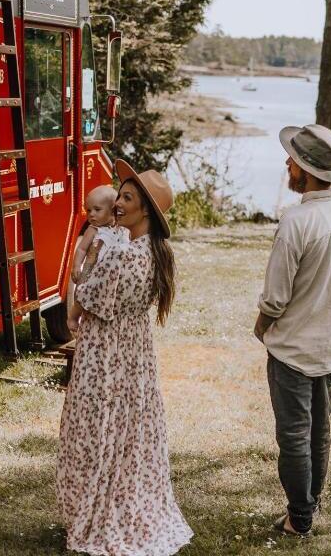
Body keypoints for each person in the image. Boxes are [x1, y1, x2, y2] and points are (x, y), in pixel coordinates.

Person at [56, 160, 193, 555]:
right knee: (127, 430)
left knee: (101, 428)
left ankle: (101, 508)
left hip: (107, 356)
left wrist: (80, 286)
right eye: (120, 194)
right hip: (133, 354)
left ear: (144, 210)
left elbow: (90, 296)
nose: (117, 202)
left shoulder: (125, 255)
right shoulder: (148, 250)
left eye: (127, 198)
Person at [254, 124, 331, 537]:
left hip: (292, 353)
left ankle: (299, 517)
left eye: (294, 159)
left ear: (307, 169)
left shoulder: (296, 221)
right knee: (320, 433)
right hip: (330, 349)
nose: (287, 163)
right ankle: (309, 506)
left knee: (294, 438)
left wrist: (261, 327)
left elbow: (275, 298)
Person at [67, 185, 126, 335]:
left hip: (111, 274)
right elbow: (81, 249)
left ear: (113, 210)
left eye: (97, 210)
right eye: (88, 210)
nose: (91, 214)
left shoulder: (122, 229)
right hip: (91, 271)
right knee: (82, 295)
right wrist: (76, 266)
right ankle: (74, 318)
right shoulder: (93, 230)